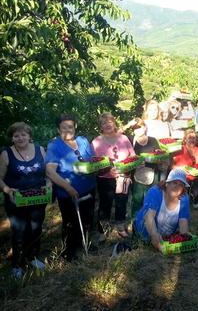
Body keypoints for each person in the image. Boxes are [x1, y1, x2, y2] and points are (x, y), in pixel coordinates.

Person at [0, 122, 48, 278]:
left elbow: (48, 173)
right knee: (19, 231)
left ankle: (32, 257)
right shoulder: (6, 154)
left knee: (36, 228)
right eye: (16, 135)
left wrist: (49, 184)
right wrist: (6, 189)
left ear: (29, 136)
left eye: (23, 134)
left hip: (38, 197)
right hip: (16, 200)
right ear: (12, 138)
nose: (20, 138)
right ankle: (17, 264)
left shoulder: (40, 150)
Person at [45, 115, 96, 261]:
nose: (68, 130)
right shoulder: (54, 146)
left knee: (87, 218)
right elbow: (50, 171)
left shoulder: (83, 141)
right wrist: (68, 188)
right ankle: (69, 252)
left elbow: (91, 161)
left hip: (89, 187)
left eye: (70, 127)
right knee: (70, 222)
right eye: (64, 127)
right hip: (68, 192)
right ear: (58, 129)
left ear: (75, 127)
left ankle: (84, 243)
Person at [92, 113, 135, 238]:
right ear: (100, 126)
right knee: (105, 204)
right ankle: (103, 230)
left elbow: (132, 156)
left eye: (109, 121)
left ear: (114, 123)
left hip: (123, 176)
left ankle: (120, 227)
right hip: (105, 179)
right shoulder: (96, 142)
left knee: (122, 202)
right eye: (104, 123)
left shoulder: (124, 138)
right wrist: (107, 171)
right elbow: (94, 163)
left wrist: (126, 168)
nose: (107, 125)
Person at [133, 169, 191, 251]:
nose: (177, 187)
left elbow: (183, 223)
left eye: (181, 185)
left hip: (166, 237)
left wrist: (185, 241)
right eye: (174, 182)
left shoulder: (184, 198)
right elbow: (149, 217)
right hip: (146, 231)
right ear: (167, 183)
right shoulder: (155, 192)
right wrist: (154, 235)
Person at [130, 118, 166, 217]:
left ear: (145, 127)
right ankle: (136, 222)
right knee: (137, 200)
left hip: (154, 173)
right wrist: (129, 124)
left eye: (139, 127)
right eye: (134, 128)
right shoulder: (131, 140)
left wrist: (159, 160)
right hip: (138, 174)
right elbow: (118, 133)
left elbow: (159, 155)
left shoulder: (153, 140)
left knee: (153, 198)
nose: (137, 130)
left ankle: (152, 220)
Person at [172, 129, 198, 208]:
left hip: (193, 177)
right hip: (180, 176)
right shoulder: (179, 149)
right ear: (185, 139)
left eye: (194, 138)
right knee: (180, 197)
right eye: (190, 138)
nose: (192, 140)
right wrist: (179, 168)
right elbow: (171, 166)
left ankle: (194, 199)